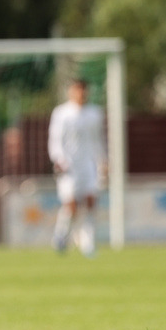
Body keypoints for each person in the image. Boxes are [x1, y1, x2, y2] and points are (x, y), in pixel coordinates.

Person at [48, 78, 106, 257]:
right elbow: (55, 140)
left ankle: (88, 243)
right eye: (77, 90)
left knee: (90, 201)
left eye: (83, 90)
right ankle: (61, 235)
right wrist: (59, 160)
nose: (81, 93)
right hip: (69, 165)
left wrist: (103, 161)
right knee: (71, 205)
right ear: (70, 92)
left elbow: (97, 140)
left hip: (89, 165)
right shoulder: (61, 113)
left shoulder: (95, 113)